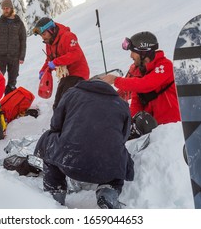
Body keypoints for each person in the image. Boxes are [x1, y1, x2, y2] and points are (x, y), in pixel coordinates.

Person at [34, 79, 134, 208]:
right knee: (119, 152)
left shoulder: (72, 94)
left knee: (47, 139)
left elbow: (55, 125)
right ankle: (108, 191)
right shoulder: (122, 104)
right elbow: (123, 138)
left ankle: (55, 191)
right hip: (108, 168)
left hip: (69, 160)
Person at [101, 31, 181, 125]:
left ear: (143, 52)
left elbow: (146, 84)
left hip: (172, 126)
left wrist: (115, 80)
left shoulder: (165, 66)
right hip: (152, 126)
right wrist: (131, 122)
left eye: (133, 52)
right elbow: (136, 100)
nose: (131, 56)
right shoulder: (138, 70)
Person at [33, 17, 90, 109]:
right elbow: (49, 60)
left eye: (44, 34)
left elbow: (76, 54)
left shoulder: (67, 36)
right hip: (66, 76)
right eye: (41, 35)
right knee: (57, 105)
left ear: (51, 30)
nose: (43, 37)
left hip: (78, 73)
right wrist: (44, 70)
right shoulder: (49, 43)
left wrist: (56, 62)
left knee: (64, 105)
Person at [0, 0, 27, 95]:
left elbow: (23, 40)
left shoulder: (19, 23)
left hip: (14, 57)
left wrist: (21, 56)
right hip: (1, 57)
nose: (5, 10)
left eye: (7, 8)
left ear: (11, 8)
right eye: (4, 8)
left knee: (12, 81)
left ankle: (9, 102)